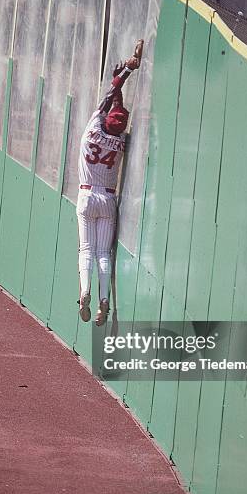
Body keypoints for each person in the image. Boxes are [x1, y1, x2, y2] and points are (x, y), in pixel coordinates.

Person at [77, 40, 144, 326]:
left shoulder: (93, 127)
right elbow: (115, 107)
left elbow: (110, 96)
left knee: (86, 251)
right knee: (104, 253)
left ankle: (85, 292)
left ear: (105, 119)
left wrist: (128, 68)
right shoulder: (120, 141)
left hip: (86, 196)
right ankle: (105, 300)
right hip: (108, 200)